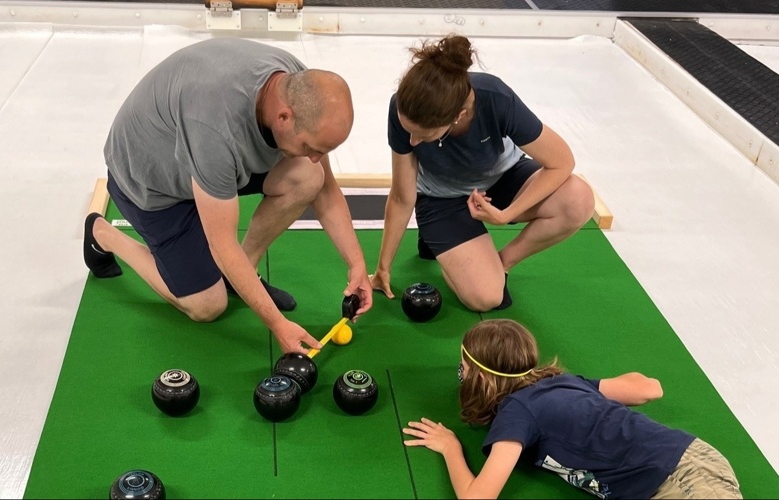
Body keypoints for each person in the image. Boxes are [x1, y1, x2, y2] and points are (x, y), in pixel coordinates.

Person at [83, 37, 373, 354]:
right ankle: (103, 233)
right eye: (310, 147)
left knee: (309, 176)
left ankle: (240, 276)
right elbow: (222, 245)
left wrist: (357, 264)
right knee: (207, 305)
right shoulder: (215, 130)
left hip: (199, 162)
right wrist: (278, 325)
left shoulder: (298, 84)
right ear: (284, 117)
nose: (315, 156)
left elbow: (326, 187)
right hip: (148, 181)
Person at [371, 35, 594, 311]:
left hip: (503, 180)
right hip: (441, 199)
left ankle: (501, 263)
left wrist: (507, 215)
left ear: (457, 116)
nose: (413, 141)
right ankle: (455, 255)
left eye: (423, 135)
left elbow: (562, 162)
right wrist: (383, 268)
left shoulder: (496, 98)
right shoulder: (400, 107)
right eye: (409, 132)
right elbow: (403, 196)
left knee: (578, 199)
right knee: (487, 298)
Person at [402, 319, 742, 499]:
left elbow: (478, 497)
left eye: (463, 366)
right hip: (690, 458)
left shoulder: (518, 411)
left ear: (480, 376)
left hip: (681, 479)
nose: (460, 373)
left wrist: (450, 448)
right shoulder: (562, 382)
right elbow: (647, 389)